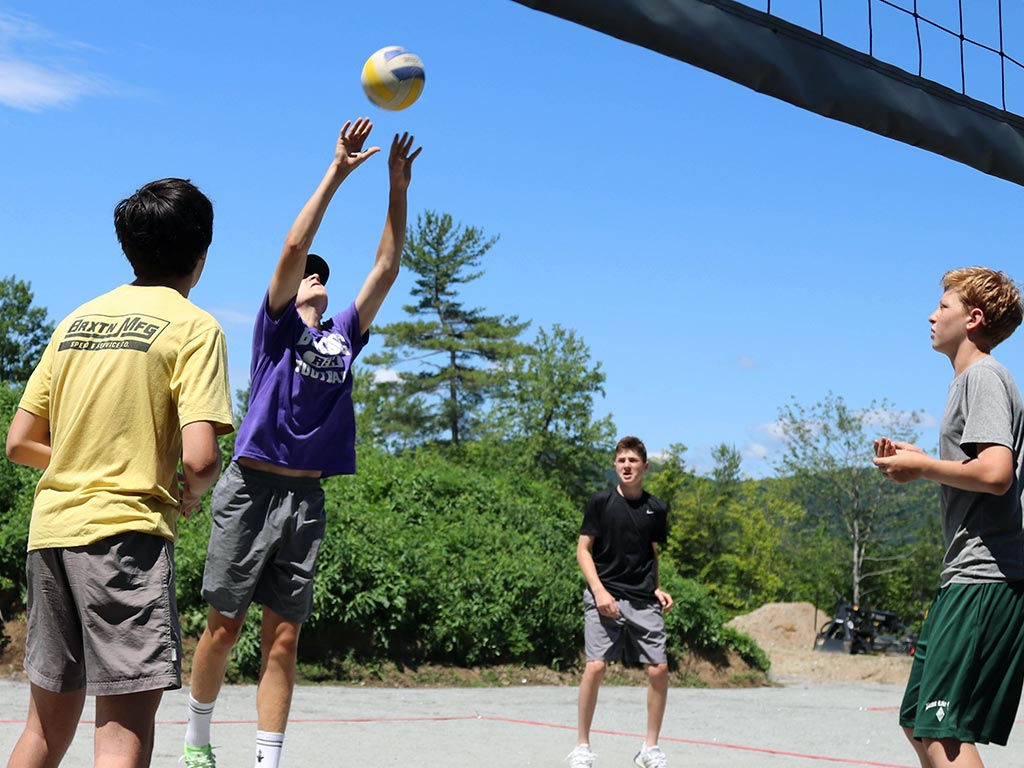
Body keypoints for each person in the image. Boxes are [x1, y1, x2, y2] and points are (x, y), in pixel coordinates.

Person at [182, 119, 420, 768]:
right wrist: (338, 172)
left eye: (321, 273)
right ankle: (198, 738)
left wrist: (396, 188)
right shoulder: (276, 327)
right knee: (224, 629)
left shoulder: (343, 335)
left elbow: (388, 264)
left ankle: (268, 758)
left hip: (306, 498)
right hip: (252, 486)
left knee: (282, 640)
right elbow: (293, 245)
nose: (314, 275)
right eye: (306, 274)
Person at [4, 178, 234, 768]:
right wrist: (189, 493)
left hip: (50, 534)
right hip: (123, 539)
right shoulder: (193, 326)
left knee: (44, 732)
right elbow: (201, 458)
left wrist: (85, 460)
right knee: (122, 731)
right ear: (201, 254)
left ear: (128, 247)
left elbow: (21, 442)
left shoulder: (78, 321)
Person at [874, 266, 1024, 768]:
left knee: (943, 730)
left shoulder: (982, 376)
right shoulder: (968, 382)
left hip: (986, 575)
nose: (932, 314)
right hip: (964, 574)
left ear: (974, 319)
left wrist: (922, 468)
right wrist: (922, 461)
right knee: (919, 721)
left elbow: (997, 472)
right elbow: (977, 467)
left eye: (944, 306)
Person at [568, 436, 674, 768]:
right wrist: (599, 592)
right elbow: (582, 550)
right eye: (621, 461)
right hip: (605, 594)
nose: (626, 466)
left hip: (642, 598)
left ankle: (649, 749)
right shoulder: (599, 503)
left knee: (659, 669)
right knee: (596, 666)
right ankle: (582, 746)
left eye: (632, 461)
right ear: (615, 465)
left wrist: (656, 587)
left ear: (645, 466)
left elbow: (651, 553)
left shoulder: (656, 509)